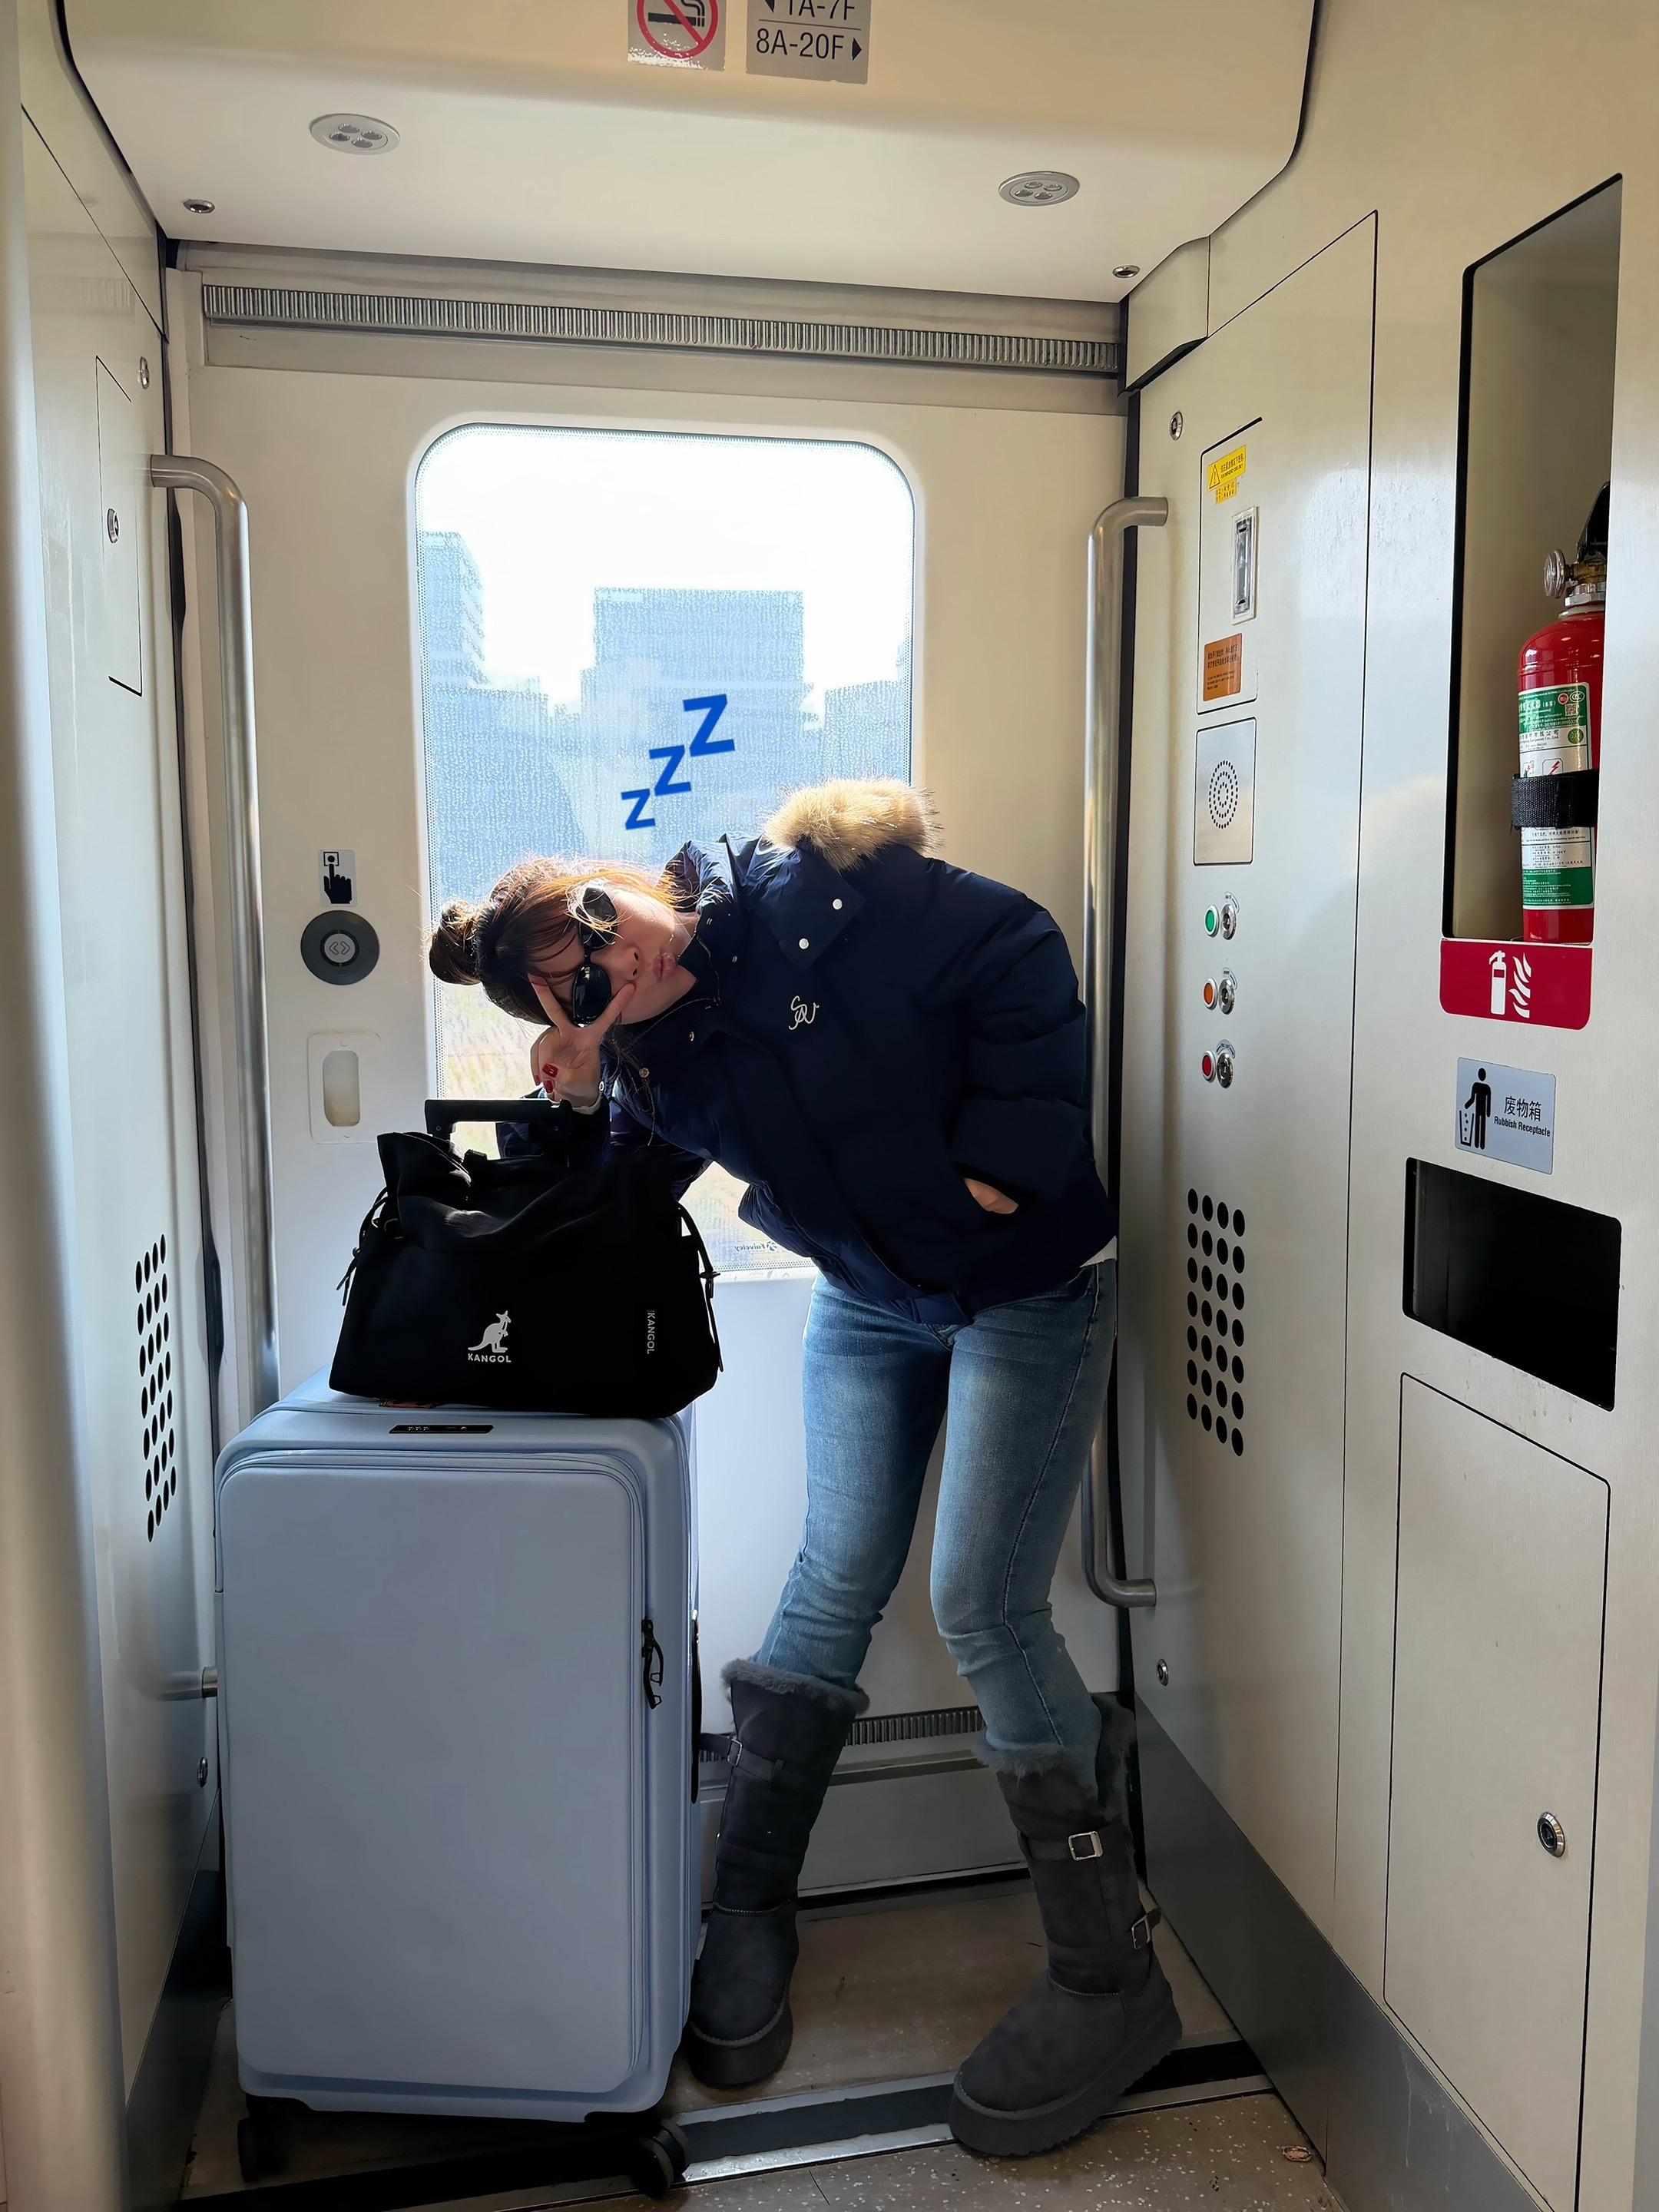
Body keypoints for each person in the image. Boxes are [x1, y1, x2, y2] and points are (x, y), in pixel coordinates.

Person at [427, 777, 1178, 2157]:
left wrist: (1007, 1160)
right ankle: (752, 1905)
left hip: (1025, 1285)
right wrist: (581, 1099)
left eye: (597, 921)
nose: (614, 960)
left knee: (982, 1605)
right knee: (833, 1580)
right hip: (871, 1301)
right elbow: (605, 1215)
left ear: (621, 883)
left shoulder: (820, 893)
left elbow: (1017, 943)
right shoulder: (652, 1064)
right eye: (577, 986)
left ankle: (1108, 1976)